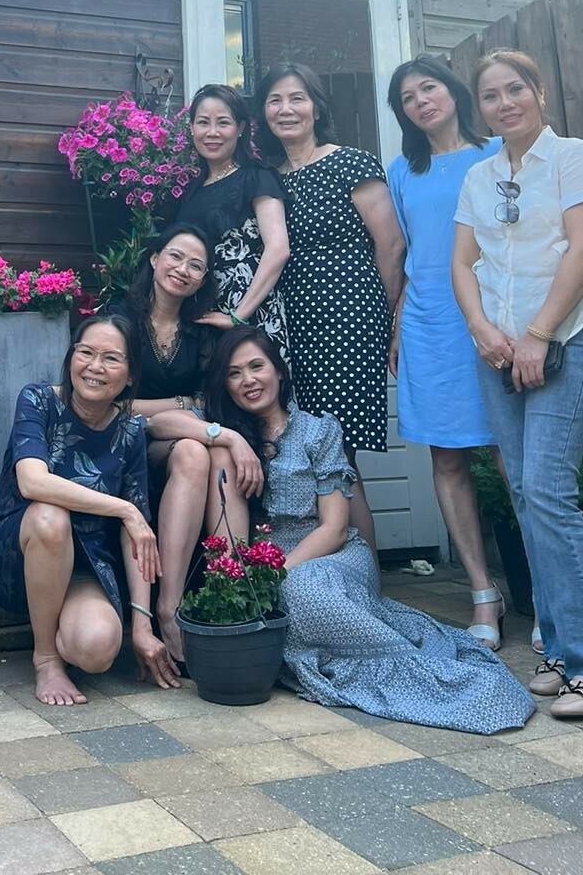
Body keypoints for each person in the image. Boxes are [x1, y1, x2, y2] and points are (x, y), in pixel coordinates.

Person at [207, 327, 535, 733]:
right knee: (295, 592)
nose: (248, 380)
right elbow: (156, 423)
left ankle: (411, 670)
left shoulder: (318, 430)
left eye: (257, 366)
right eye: (234, 373)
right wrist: (226, 436)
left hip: (333, 553)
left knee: (301, 589)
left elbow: (334, 529)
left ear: (279, 371)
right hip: (273, 559)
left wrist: (275, 575)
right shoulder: (230, 439)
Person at [453, 49, 583, 721]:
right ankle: (560, 648)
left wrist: (538, 334)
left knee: (550, 492)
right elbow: (462, 262)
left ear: (539, 92)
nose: (505, 104)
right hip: (498, 349)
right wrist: (482, 331)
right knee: (526, 496)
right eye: (491, 95)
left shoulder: (574, 158)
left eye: (515, 89)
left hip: (568, 335)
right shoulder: (479, 176)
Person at [0, 315, 177, 705]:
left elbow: (136, 539)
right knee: (51, 516)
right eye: (86, 353)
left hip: (84, 569)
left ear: (130, 375)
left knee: (98, 650)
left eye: (111, 359)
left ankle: (65, 622)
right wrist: (124, 509)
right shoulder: (38, 400)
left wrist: (141, 625)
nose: (95, 366)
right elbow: (32, 482)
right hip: (14, 552)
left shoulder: (130, 432)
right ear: (71, 358)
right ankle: (47, 659)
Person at [258, 63, 404, 554]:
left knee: (339, 453)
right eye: (275, 100)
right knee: (310, 450)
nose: (286, 109)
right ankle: (328, 571)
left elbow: (391, 245)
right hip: (293, 327)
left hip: (348, 318)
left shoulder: (351, 163)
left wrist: (385, 317)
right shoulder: (270, 179)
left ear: (317, 108)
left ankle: (365, 579)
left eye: (297, 98)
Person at [385, 56, 505, 646]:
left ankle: (549, 595)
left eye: (428, 87)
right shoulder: (403, 171)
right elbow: (407, 255)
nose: (421, 102)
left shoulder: (497, 152)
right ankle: (483, 592)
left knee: (511, 457)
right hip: (431, 323)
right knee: (449, 458)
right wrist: (397, 326)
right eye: (407, 98)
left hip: (496, 318)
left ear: (453, 91)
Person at [107, 226, 262, 662]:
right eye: (175, 257)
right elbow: (112, 402)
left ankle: (231, 590)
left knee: (210, 450)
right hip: (125, 441)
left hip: (181, 441)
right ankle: (169, 610)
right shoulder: (121, 320)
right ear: (155, 258)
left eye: (196, 265)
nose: (183, 270)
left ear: (203, 279)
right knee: (200, 445)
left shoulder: (202, 332)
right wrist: (178, 404)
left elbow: (210, 403)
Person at [176, 83, 289, 352]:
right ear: (191, 128)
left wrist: (238, 316)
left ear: (240, 128)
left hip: (250, 315)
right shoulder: (192, 190)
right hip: (203, 318)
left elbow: (278, 249)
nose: (212, 132)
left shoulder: (257, 176)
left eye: (223, 123)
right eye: (203, 122)